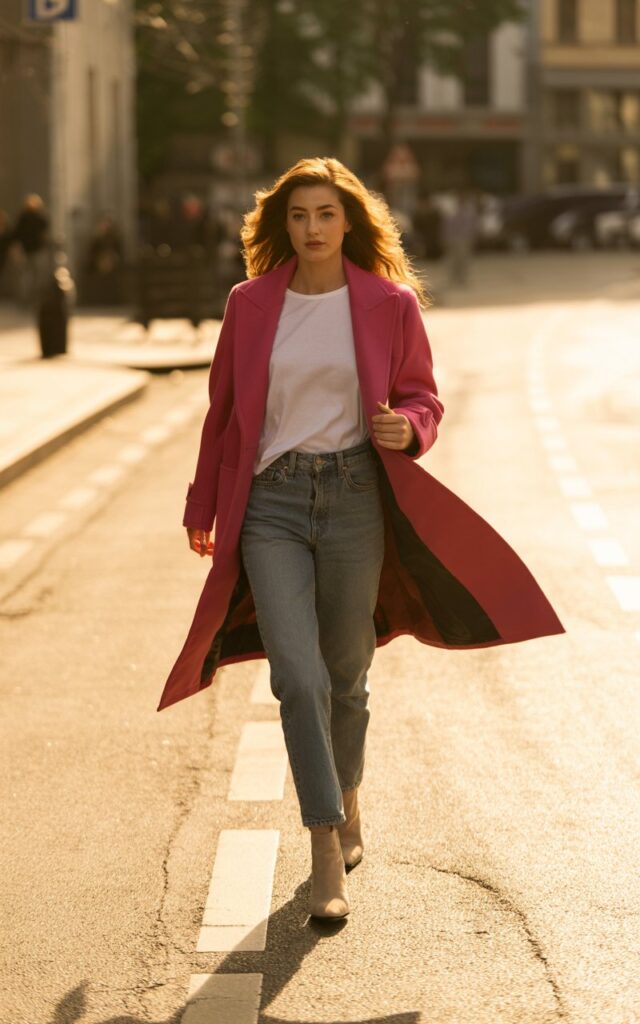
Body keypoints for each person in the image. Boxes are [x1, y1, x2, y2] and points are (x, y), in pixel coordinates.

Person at [157, 157, 565, 922]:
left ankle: (348, 797)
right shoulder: (250, 304)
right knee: (298, 678)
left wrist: (408, 427)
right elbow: (223, 414)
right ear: (282, 224)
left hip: (353, 500)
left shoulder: (388, 303)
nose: (311, 229)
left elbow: (423, 395)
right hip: (271, 505)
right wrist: (201, 502)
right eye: (299, 216)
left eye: (325, 215)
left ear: (350, 222)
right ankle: (322, 848)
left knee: (346, 676)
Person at [441, 186, 479, 287]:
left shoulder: (469, 210)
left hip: (464, 238)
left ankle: (462, 279)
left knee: (464, 260)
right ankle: (454, 279)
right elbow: (447, 226)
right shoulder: (452, 210)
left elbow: (472, 226)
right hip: (454, 238)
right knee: (453, 260)